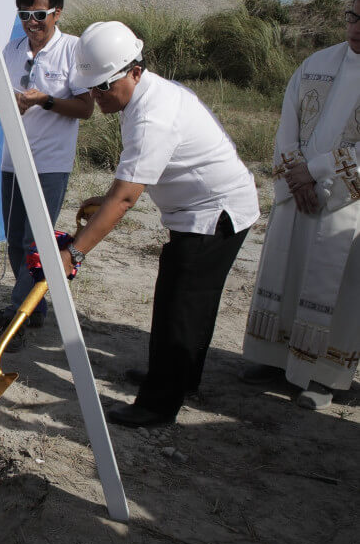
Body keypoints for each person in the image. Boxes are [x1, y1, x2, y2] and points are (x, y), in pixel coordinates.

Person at [59, 21, 259, 428]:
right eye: (91, 88)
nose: (96, 97)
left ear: (134, 70)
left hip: (215, 213)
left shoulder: (153, 114)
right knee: (190, 302)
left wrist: (74, 251)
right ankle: (181, 378)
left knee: (180, 305)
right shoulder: (140, 97)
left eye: (103, 87)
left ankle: (158, 403)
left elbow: (127, 198)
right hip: (204, 207)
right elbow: (139, 178)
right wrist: (108, 199)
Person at [241, 0, 360, 410]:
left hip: (346, 205)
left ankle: (324, 376)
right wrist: (297, 176)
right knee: (285, 273)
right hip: (300, 194)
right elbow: (287, 122)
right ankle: (273, 357)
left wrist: (318, 171)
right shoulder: (318, 63)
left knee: (338, 289)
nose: (356, 27)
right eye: (352, 16)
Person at [0, 0, 92, 351]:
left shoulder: (74, 49)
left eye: (38, 15)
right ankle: (34, 309)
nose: (31, 23)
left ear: (57, 13)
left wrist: (45, 101)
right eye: (24, 15)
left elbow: (86, 108)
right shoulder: (12, 48)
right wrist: (10, 100)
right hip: (12, 159)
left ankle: (17, 317)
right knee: (15, 241)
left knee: (36, 241)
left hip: (50, 163)